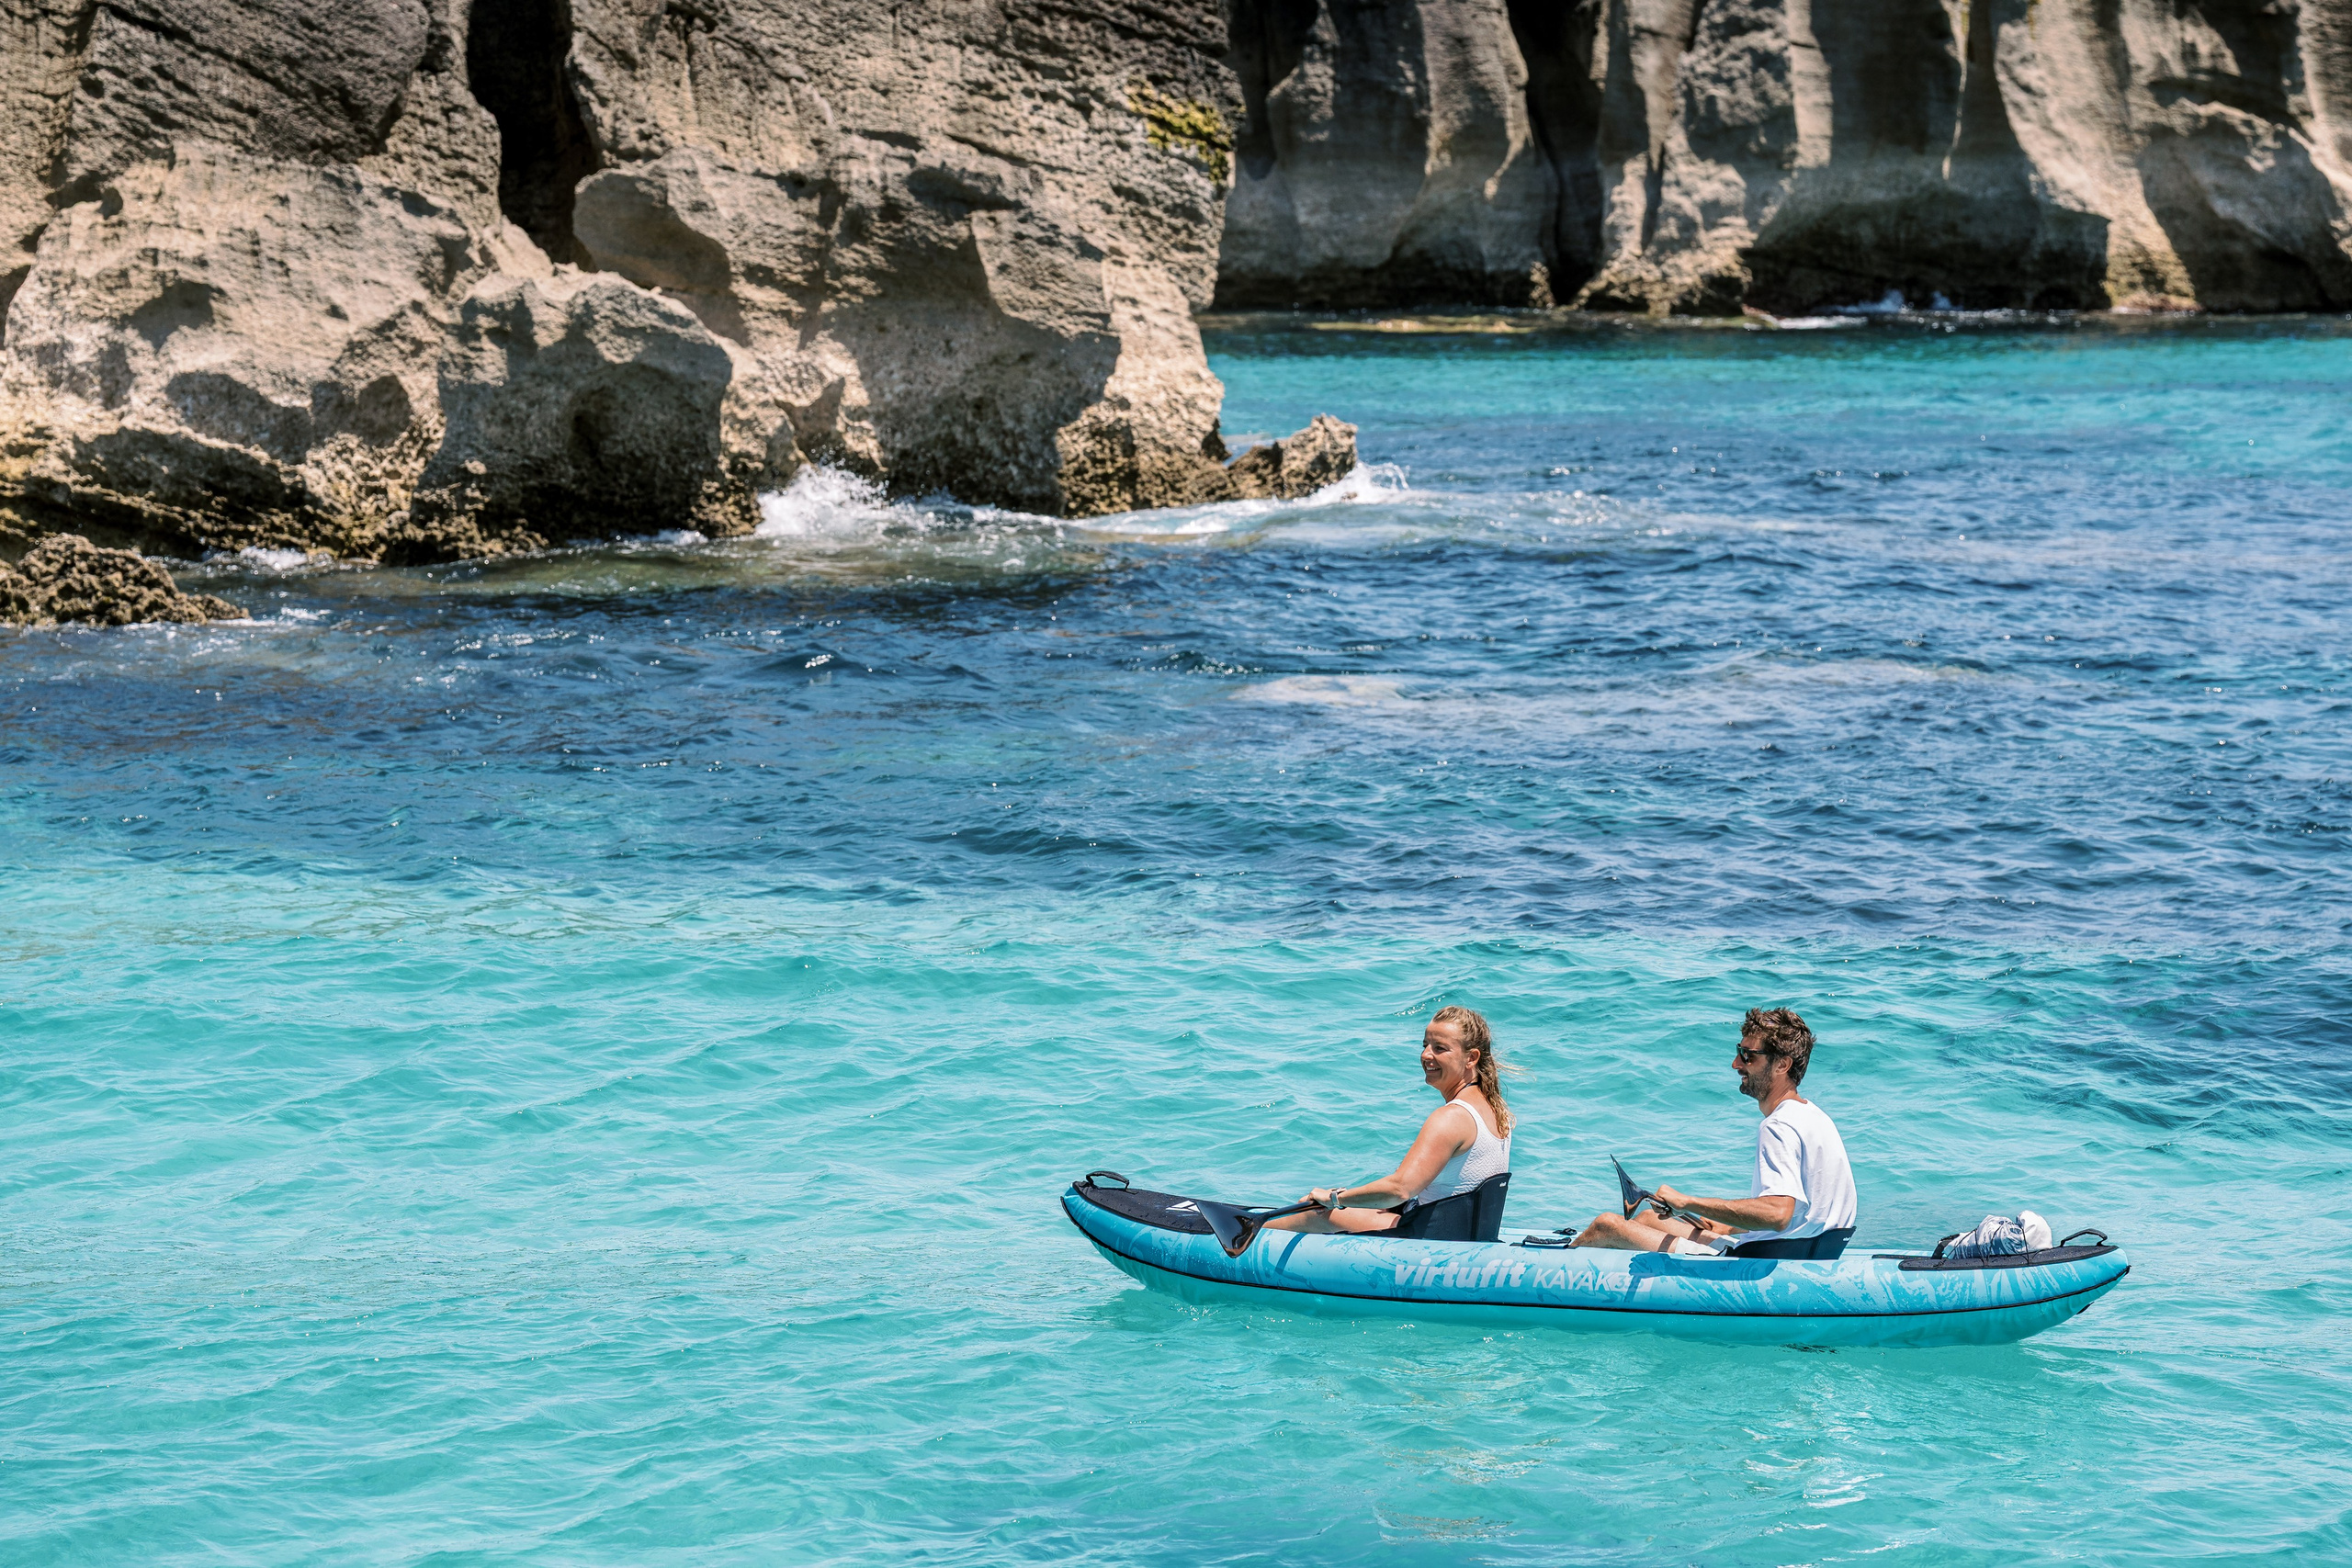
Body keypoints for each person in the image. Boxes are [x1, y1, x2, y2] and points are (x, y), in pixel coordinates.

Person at [1573, 1007, 1857, 1258]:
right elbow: (1806, 1214)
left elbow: (1779, 1213)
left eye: (1748, 1056)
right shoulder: (1815, 1117)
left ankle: (1561, 1274)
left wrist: (1688, 1202)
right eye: (1739, 1051)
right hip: (1807, 1252)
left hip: (1760, 1261)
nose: (1736, 1064)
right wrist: (1727, 1225)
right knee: (1649, 1218)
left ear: (1782, 1065)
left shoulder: (1777, 1126)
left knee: (1606, 1225)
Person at [1261, 1005, 1514, 1235]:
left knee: (1315, 1214)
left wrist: (1334, 1199)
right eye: (1425, 1045)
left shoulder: (1452, 1117)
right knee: (1368, 1208)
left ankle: (1246, 1235)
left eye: (1440, 1048)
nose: (1426, 1055)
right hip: (1467, 1235)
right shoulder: (1494, 1110)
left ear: (1471, 1058)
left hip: (1431, 1240)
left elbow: (1400, 1189)